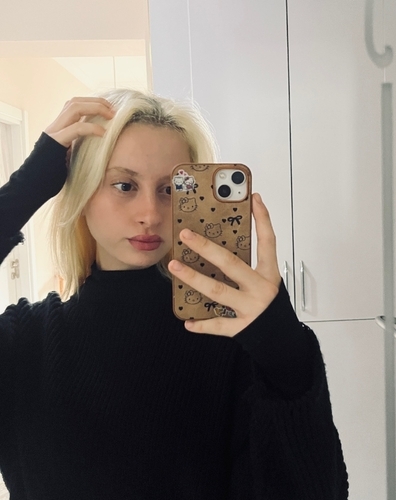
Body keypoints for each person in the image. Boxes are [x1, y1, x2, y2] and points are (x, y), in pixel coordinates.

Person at [0, 88, 348, 499]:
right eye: (124, 185)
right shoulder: (23, 341)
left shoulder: (229, 338)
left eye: (170, 189)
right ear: (82, 190)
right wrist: (22, 192)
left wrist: (287, 353)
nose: (150, 214)